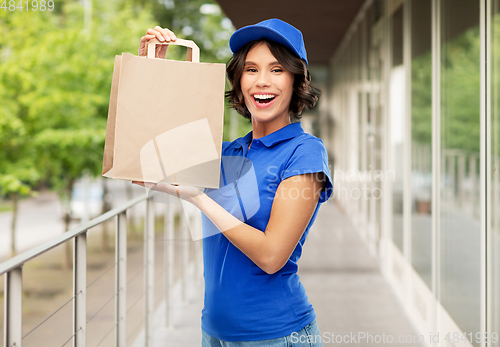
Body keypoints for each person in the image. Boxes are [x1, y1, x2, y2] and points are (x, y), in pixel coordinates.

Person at [135, 18, 333, 347]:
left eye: (277, 69)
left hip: (277, 335)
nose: (262, 82)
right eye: (251, 70)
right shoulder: (228, 152)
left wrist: (198, 198)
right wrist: (152, 67)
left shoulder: (305, 152)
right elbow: (145, 159)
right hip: (214, 333)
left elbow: (272, 256)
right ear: (239, 80)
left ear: (296, 79)